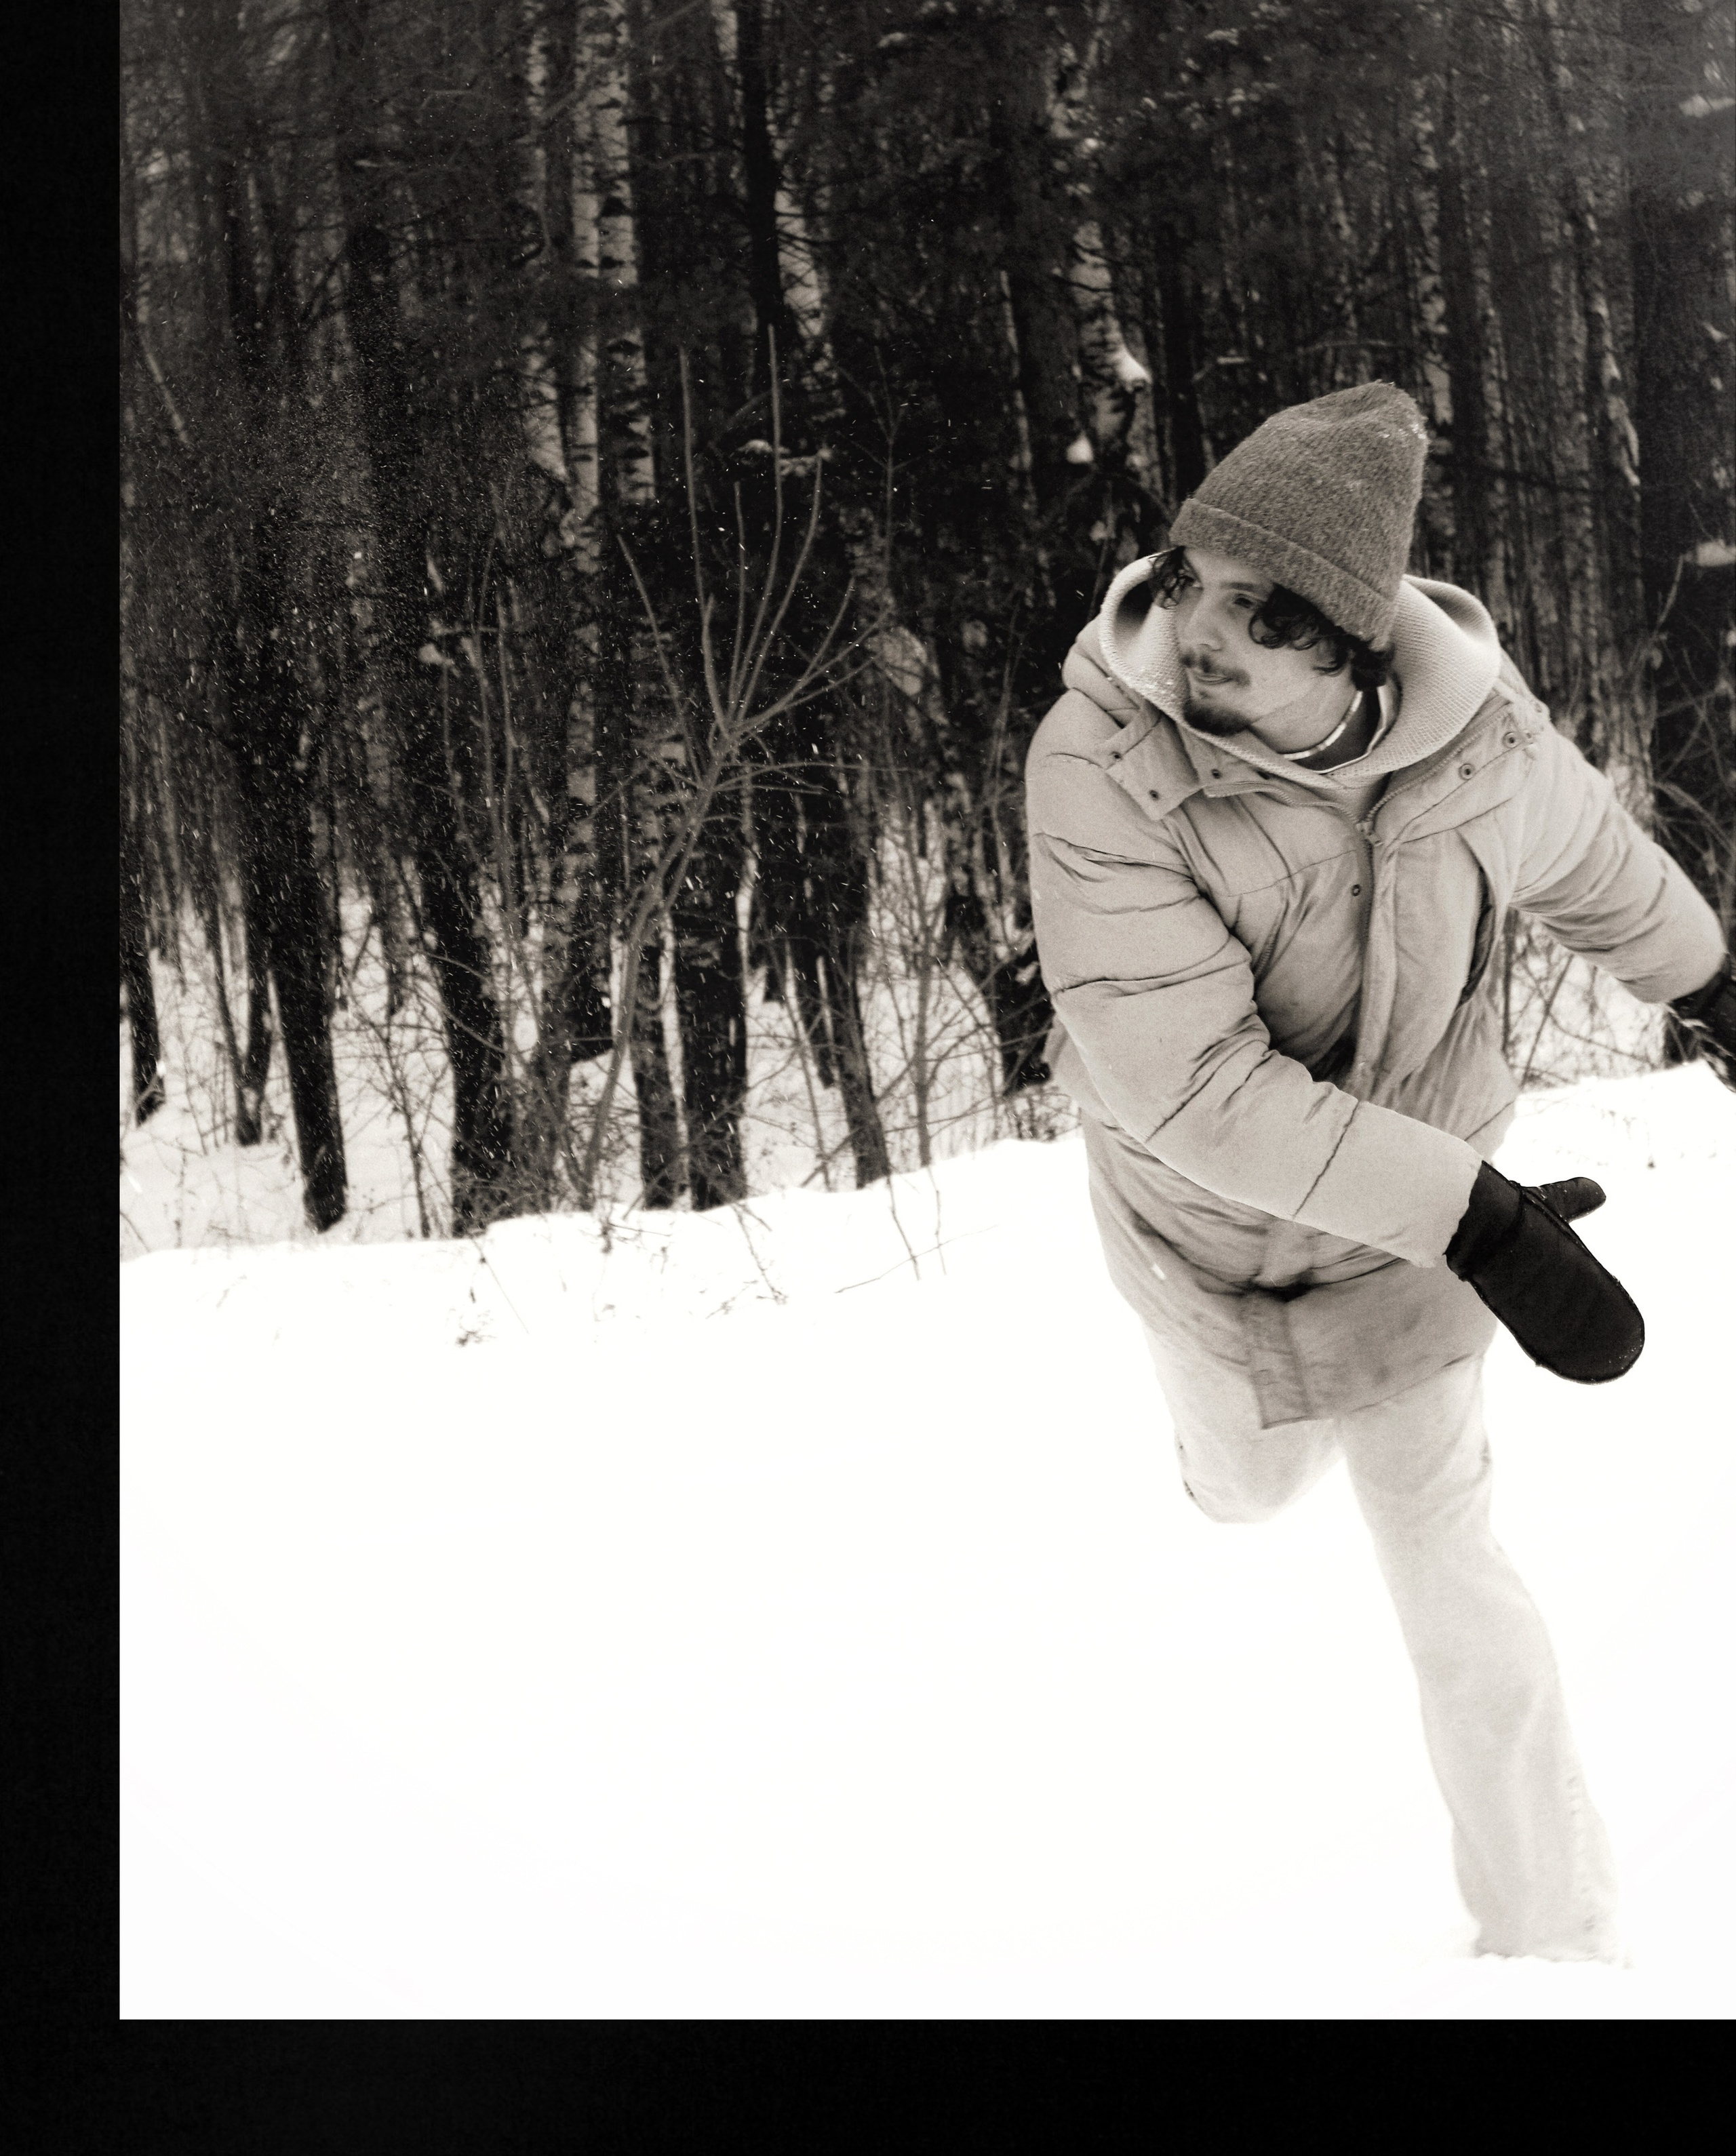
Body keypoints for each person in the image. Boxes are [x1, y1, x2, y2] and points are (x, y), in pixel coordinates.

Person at [1024, 381, 1736, 1963]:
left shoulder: (1470, 737)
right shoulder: (1099, 762)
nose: (1201, 633)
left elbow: (1589, 861)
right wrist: (1483, 1223)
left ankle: (1548, 1949)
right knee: (1253, 1494)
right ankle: (1223, 1456)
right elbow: (1198, 1093)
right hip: (1205, 1235)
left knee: (1451, 1573)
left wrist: (1708, 984)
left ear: (1349, 646)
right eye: (1192, 582)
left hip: (1408, 1242)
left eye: (1261, 616)